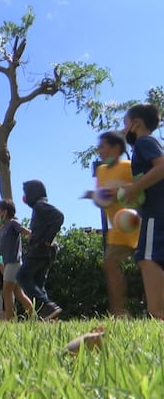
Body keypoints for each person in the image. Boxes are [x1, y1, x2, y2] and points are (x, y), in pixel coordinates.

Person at [84, 131, 139, 317]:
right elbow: (101, 198)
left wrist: (115, 192)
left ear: (116, 148)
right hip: (118, 229)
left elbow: (141, 190)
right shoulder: (101, 171)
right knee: (109, 264)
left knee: (149, 266)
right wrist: (95, 196)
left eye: (102, 146)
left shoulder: (128, 167)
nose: (99, 150)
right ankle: (119, 312)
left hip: (138, 225)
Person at [119, 103, 164, 319]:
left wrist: (135, 187)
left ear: (135, 124)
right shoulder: (146, 146)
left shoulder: (145, 142)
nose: (123, 129)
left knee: (147, 258)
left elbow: (162, 166)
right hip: (154, 210)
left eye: (125, 124)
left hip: (157, 214)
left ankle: (158, 313)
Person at [17, 180, 65, 321]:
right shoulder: (40, 207)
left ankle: (47, 306)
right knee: (38, 284)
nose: (24, 197)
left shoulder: (40, 206)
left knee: (23, 276)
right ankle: (50, 317)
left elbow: (59, 216)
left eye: (26, 193)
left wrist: (46, 239)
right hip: (47, 251)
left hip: (41, 250)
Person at [0, 200, 35, 321]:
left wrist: (32, 235)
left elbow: (25, 231)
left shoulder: (12, 223)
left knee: (6, 292)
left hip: (14, 263)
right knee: (19, 294)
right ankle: (35, 317)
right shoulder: (2, 229)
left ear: (4, 212)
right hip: (9, 265)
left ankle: (9, 320)